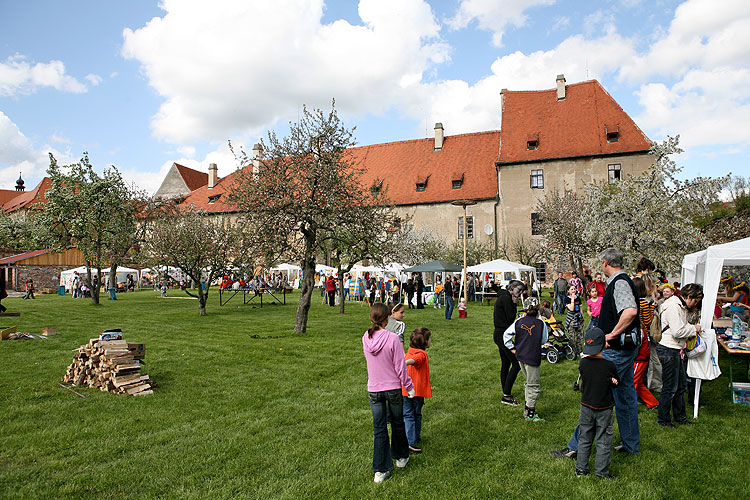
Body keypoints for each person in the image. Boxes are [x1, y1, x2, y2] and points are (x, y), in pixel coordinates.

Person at [551, 247, 641, 459]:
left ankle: (575, 446)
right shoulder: (624, 281)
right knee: (626, 396)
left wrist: (610, 335)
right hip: (626, 349)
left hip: (617, 350)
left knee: (594, 397)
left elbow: (630, 311)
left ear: (605, 263)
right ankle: (630, 444)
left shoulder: (619, 283)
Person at [362, 303, 414, 483]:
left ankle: (381, 469)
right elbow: (400, 367)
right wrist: (409, 386)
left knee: (379, 429)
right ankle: (400, 457)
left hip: (375, 390)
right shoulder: (392, 338)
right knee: (397, 423)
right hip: (391, 389)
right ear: (387, 319)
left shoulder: (365, 338)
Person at [574, 327, 620, 479]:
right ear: (604, 345)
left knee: (584, 438)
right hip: (604, 408)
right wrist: (613, 381)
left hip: (586, 406)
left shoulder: (583, 363)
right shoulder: (609, 366)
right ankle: (601, 473)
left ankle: (581, 469)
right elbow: (615, 380)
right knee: (603, 440)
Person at [657, 283, 702, 427]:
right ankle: (663, 420)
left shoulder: (678, 305)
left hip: (674, 348)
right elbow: (678, 331)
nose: (695, 304)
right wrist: (694, 329)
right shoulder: (674, 306)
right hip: (668, 348)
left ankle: (680, 418)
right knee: (670, 387)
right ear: (689, 297)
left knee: (681, 385)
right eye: (695, 301)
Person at [504, 303, 548, 421]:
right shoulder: (540, 323)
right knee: (533, 385)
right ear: (538, 309)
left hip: (520, 357)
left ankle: (527, 407)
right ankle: (531, 414)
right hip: (532, 357)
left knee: (528, 382)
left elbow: (506, 335)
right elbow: (544, 339)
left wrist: (512, 348)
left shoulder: (519, 321)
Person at [494, 280, 526, 406]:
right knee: (516, 363)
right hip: (502, 335)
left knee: (506, 363)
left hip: (500, 334)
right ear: (512, 288)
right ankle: (506, 396)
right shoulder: (506, 299)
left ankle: (506, 392)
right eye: (519, 291)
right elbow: (510, 317)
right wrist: (514, 303)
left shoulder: (503, 296)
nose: (520, 294)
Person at [402, 327, 432, 453]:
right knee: (414, 415)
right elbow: (416, 360)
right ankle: (411, 441)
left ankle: (414, 438)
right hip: (416, 392)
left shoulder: (409, 352)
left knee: (410, 415)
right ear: (424, 342)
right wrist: (406, 362)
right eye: (429, 339)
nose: (431, 341)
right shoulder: (421, 355)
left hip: (405, 391)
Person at [633, 276, 659, 410]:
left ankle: (633, 402)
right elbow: (649, 321)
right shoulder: (645, 303)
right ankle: (652, 402)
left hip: (639, 341)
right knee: (639, 377)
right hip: (644, 337)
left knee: (635, 379)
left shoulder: (635, 303)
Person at [565, 285, 585, 356]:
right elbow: (571, 309)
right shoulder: (567, 299)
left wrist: (583, 319)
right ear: (568, 291)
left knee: (580, 335)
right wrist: (572, 299)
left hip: (578, 319)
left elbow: (580, 309)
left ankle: (579, 350)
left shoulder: (578, 298)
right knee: (572, 336)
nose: (574, 290)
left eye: (574, 289)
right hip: (572, 320)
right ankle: (572, 351)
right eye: (572, 289)